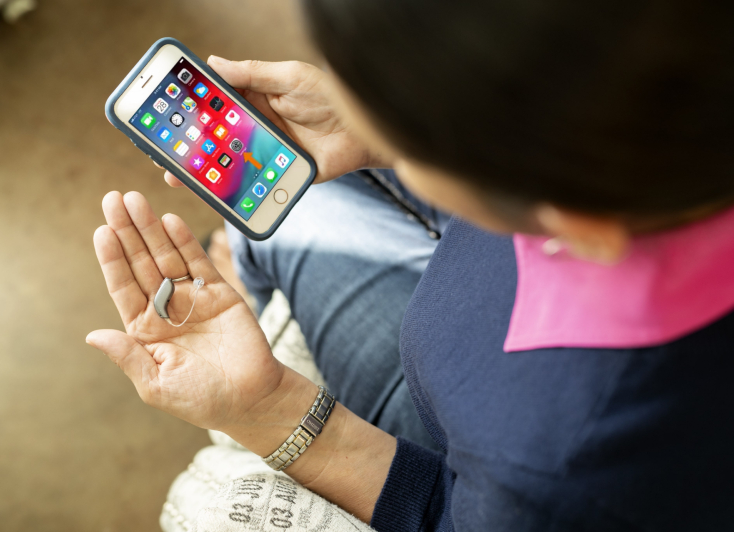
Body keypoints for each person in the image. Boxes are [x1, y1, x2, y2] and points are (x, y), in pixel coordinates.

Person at [87, 1, 734, 530]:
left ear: (572, 219)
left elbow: (443, 513)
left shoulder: (559, 469)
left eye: (401, 128)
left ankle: (254, 260)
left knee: (279, 218)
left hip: (456, 428)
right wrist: (377, 135)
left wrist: (269, 407)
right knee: (289, 190)